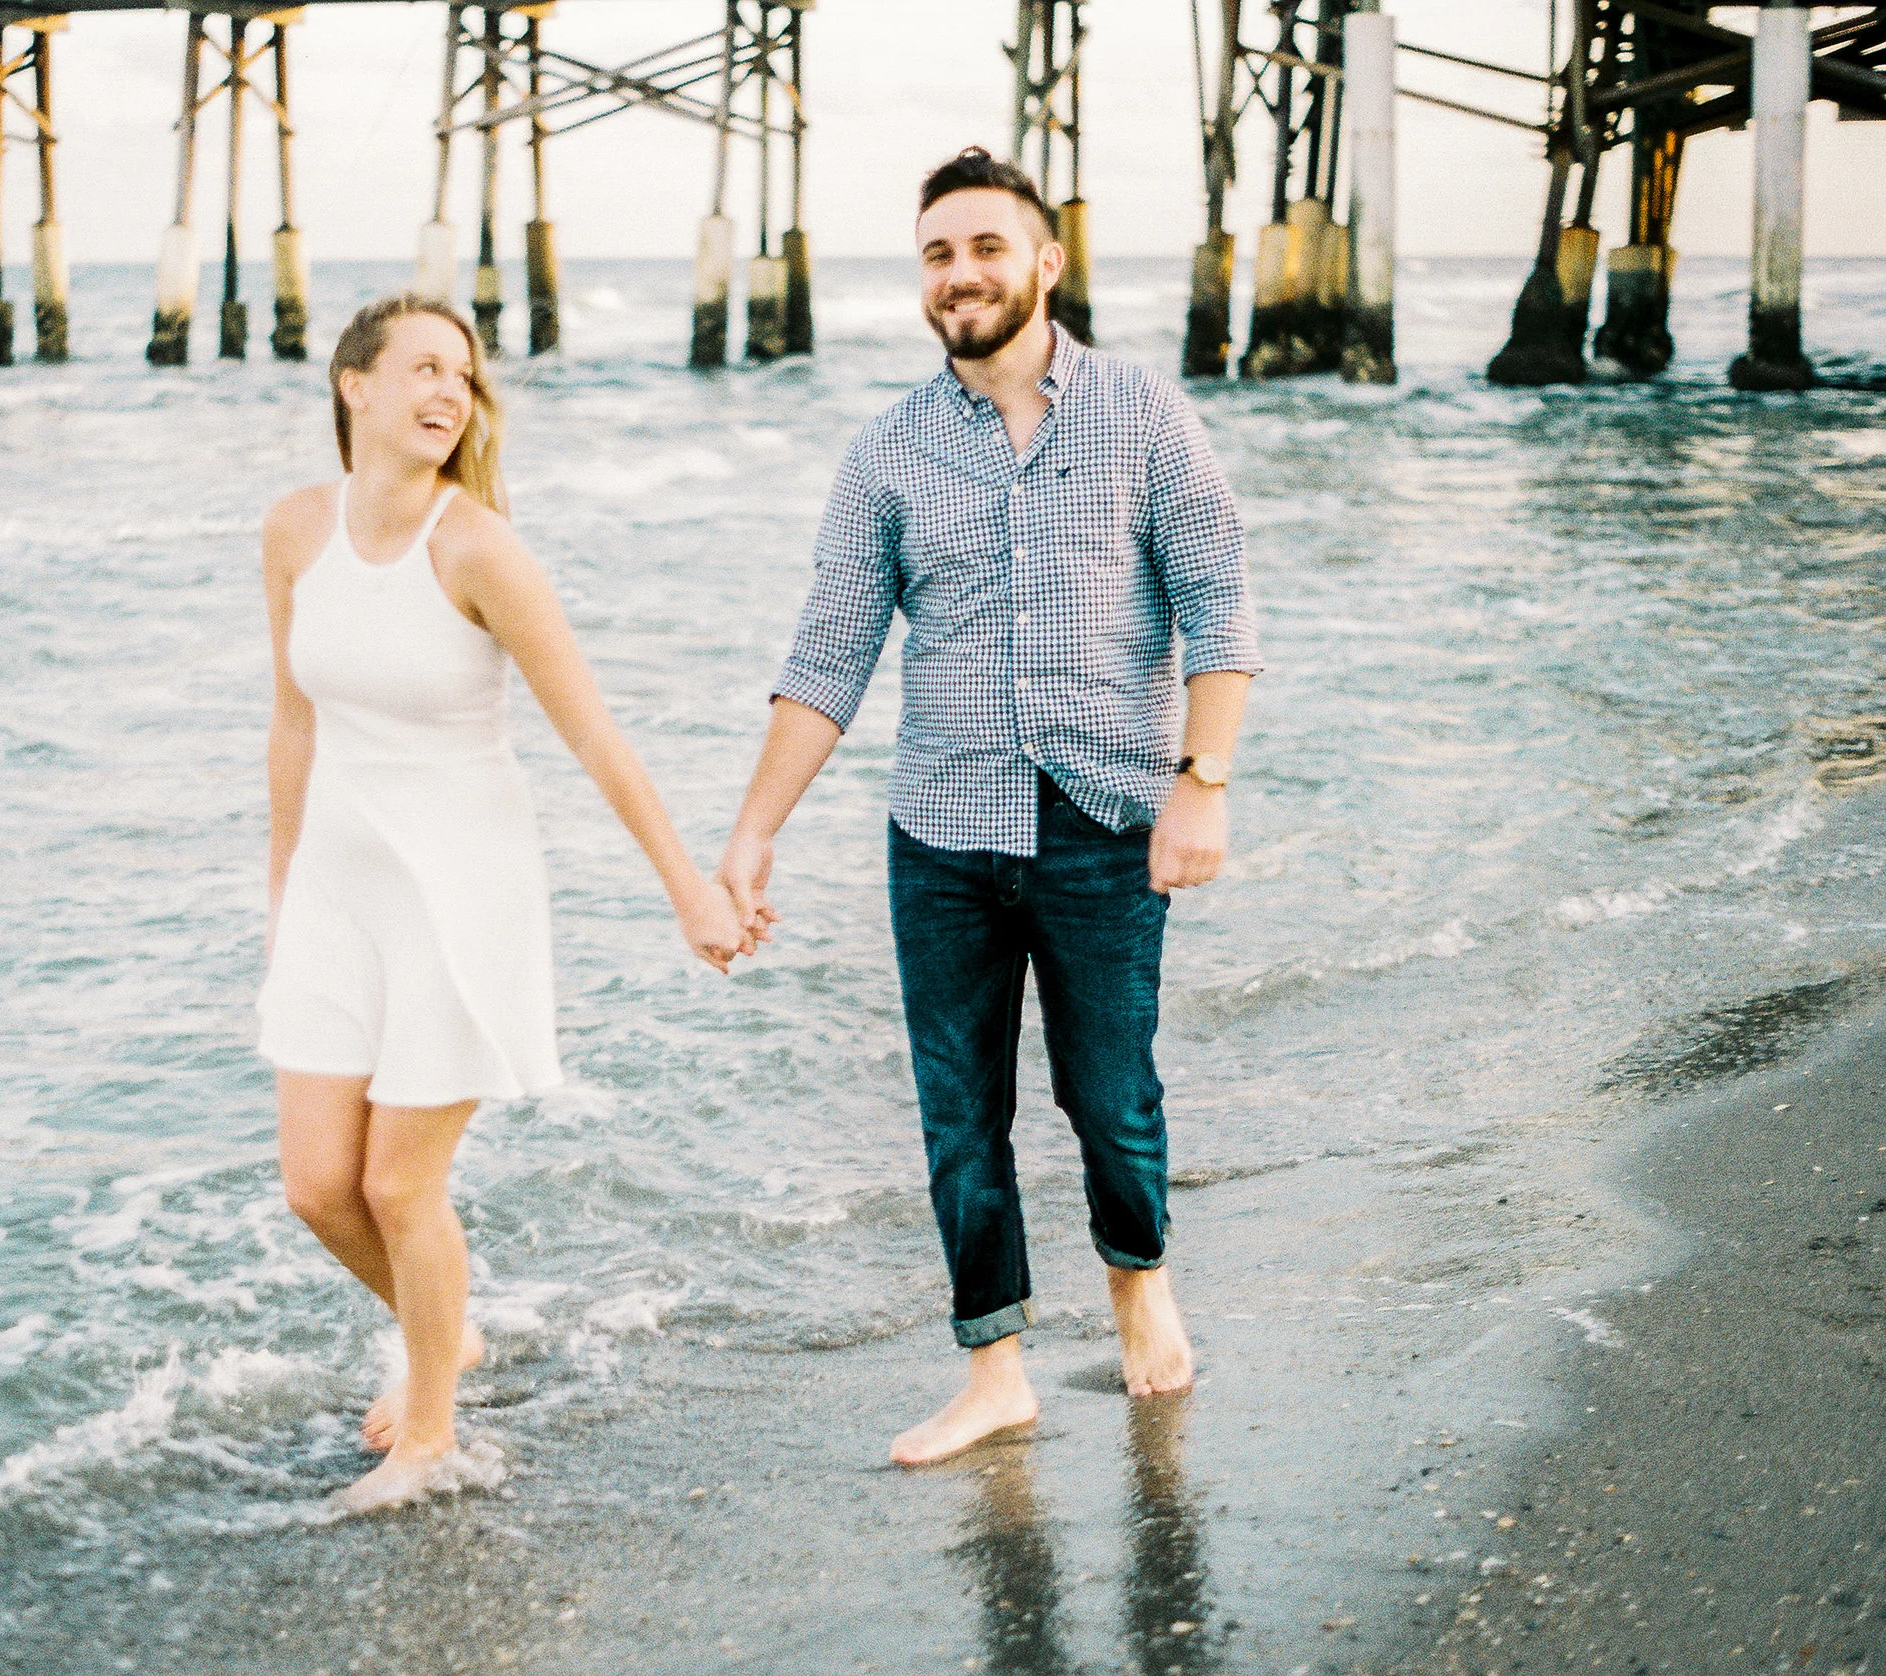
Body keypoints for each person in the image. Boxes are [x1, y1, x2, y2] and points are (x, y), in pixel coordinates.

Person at [717, 148, 1261, 1465]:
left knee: (1108, 1092)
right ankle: (994, 1369)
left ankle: (1139, 1282)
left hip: (1105, 819)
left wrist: (1201, 783)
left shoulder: (1141, 412)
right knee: (960, 1109)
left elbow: (1219, 600)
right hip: (942, 834)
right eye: (938, 254)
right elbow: (830, 654)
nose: (960, 274)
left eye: (985, 248)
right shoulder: (887, 452)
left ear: (1045, 263)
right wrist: (752, 828)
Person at [259, 293, 746, 1513]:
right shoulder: (295, 529)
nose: (449, 391)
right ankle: (449, 1327)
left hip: (458, 895)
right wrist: (280, 888)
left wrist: (687, 887)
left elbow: (593, 734)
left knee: (397, 1186)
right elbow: (293, 719)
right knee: (316, 1184)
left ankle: (429, 1432)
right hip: (336, 889)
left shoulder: (477, 549)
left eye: (464, 375)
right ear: (354, 384)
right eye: (424, 366)